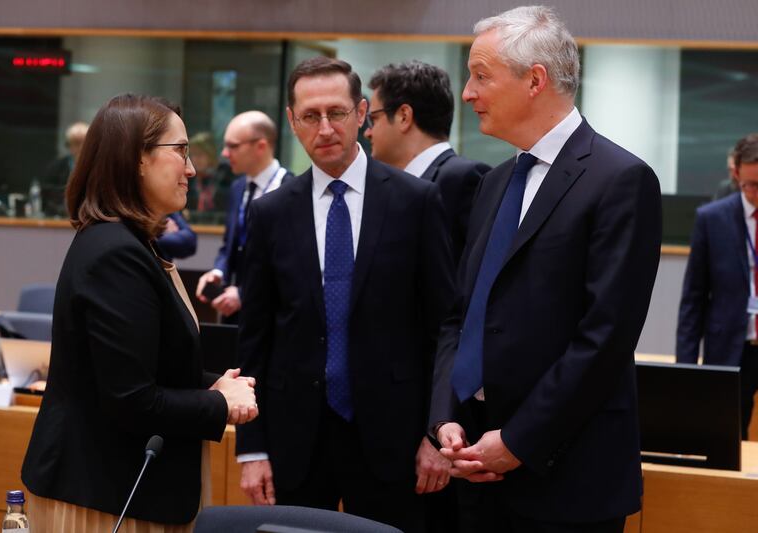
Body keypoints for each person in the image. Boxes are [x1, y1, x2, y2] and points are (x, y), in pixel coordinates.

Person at [430, 6, 662, 533]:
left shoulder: (620, 180)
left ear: (534, 80)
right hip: (474, 461)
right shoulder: (493, 184)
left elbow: (604, 338)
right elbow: (461, 315)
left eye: (481, 75)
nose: (467, 92)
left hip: (566, 474)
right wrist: (445, 415)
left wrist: (516, 442)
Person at [235, 57, 454, 532]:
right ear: (292, 122)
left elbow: (444, 328)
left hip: (394, 437)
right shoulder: (271, 213)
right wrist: (252, 448)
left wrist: (436, 433)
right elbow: (255, 339)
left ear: (361, 113)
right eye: (311, 116)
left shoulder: (415, 202)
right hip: (296, 438)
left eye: (337, 112)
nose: (326, 127)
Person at [21, 94, 258, 532]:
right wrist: (218, 403)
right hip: (104, 497)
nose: (191, 168)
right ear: (137, 161)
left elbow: (147, 367)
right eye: (180, 151)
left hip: (123, 489)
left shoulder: (131, 243)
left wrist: (215, 385)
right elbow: (131, 401)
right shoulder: (115, 252)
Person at [365, 60, 491, 262]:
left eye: (373, 119)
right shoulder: (391, 187)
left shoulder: (464, 178)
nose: (368, 132)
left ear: (404, 116)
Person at [678, 133, 758, 439]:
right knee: (727, 438)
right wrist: (685, 367)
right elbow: (693, 298)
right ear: (736, 174)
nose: (755, 193)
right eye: (749, 184)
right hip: (729, 348)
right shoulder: (712, 219)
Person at [196, 111, 292, 320]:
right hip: (235, 313)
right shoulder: (237, 187)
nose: (224, 153)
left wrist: (243, 293)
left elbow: (290, 263)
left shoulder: (291, 190)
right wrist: (218, 273)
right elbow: (229, 245)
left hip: (275, 314)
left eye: (233, 146)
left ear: (261, 146)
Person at [186, 132, 230, 217]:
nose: (195, 159)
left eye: (199, 154)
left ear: (211, 155)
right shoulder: (189, 179)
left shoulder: (224, 177)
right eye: (192, 155)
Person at [42, 121, 89, 187]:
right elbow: (48, 192)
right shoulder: (55, 168)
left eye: (85, 142)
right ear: (69, 145)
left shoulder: (99, 167)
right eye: (77, 143)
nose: (81, 147)